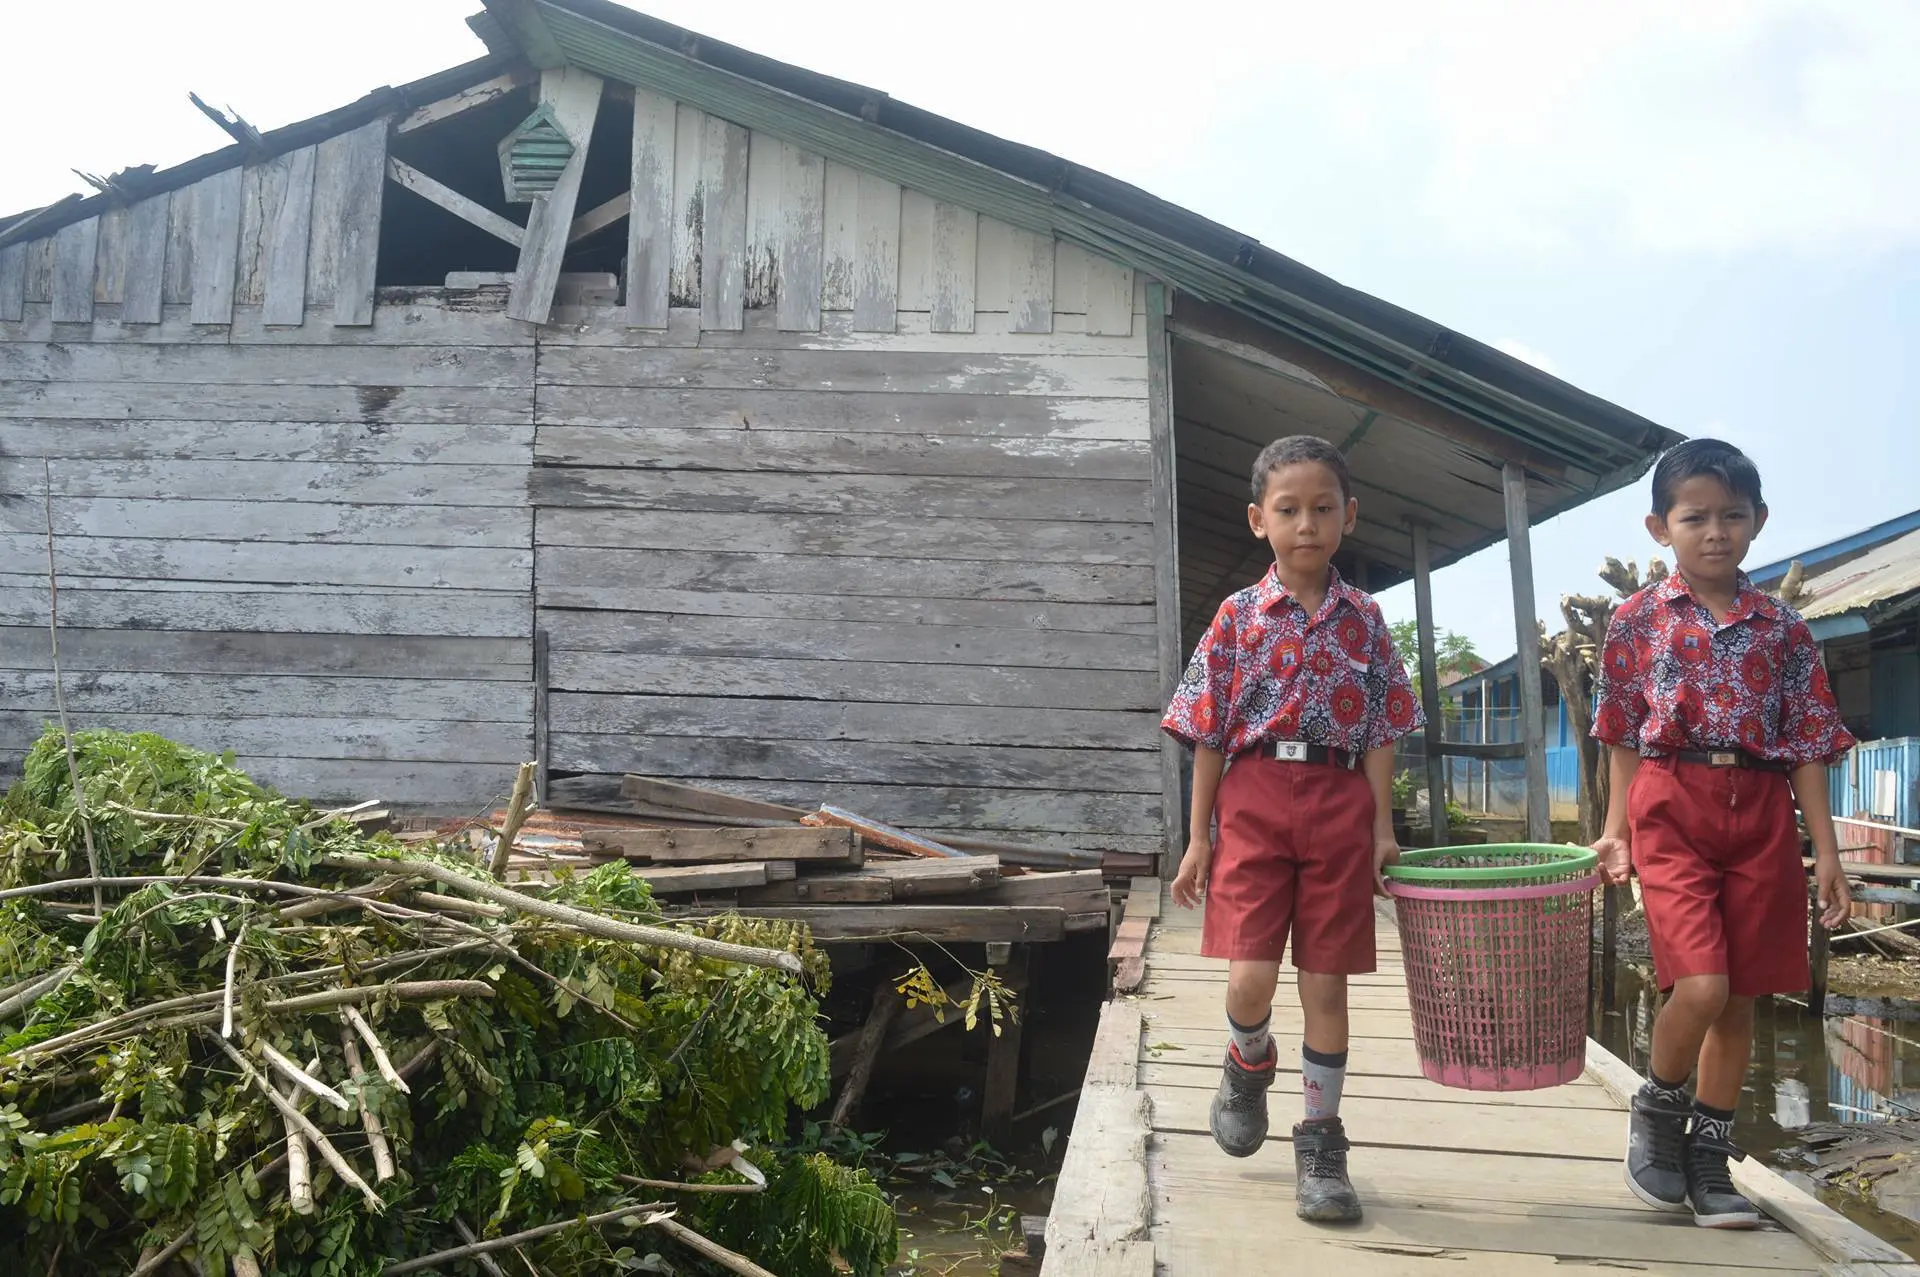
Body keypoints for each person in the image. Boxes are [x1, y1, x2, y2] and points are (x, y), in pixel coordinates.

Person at [1591, 438, 1854, 1229]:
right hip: (1672, 801)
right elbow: (1621, 734)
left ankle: (1711, 1160)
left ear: (1759, 521)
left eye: (1732, 515)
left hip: (1763, 807)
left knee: (1739, 999)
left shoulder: (1784, 629)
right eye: (1694, 516)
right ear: (1658, 527)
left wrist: (1828, 853)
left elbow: (1808, 744)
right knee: (1698, 984)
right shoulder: (1636, 620)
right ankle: (1657, 1108)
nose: (1714, 531)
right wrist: (1616, 832)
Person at [1161, 434, 1422, 1223]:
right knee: (1249, 978)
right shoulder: (1238, 616)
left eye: (1321, 508)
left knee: (1325, 981)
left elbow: (1383, 729)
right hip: (1254, 796)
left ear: (1349, 515)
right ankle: (1247, 1055)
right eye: (1288, 509)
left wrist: (1381, 828)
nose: (1306, 523)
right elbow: (1208, 729)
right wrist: (1199, 835)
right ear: (1258, 519)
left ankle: (1321, 1140)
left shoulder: (1368, 619)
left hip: (1340, 801)